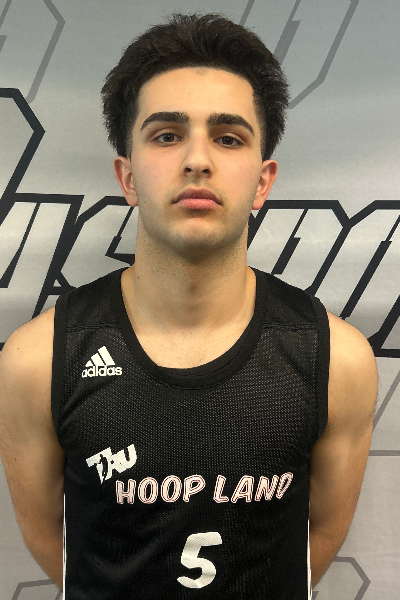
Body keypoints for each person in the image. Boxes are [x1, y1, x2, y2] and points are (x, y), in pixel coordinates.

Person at [0, 11, 377, 599]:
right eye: (167, 135)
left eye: (228, 138)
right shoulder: (37, 360)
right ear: (127, 177)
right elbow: (56, 543)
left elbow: (319, 539)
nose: (197, 160)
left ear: (262, 181)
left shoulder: (338, 361)